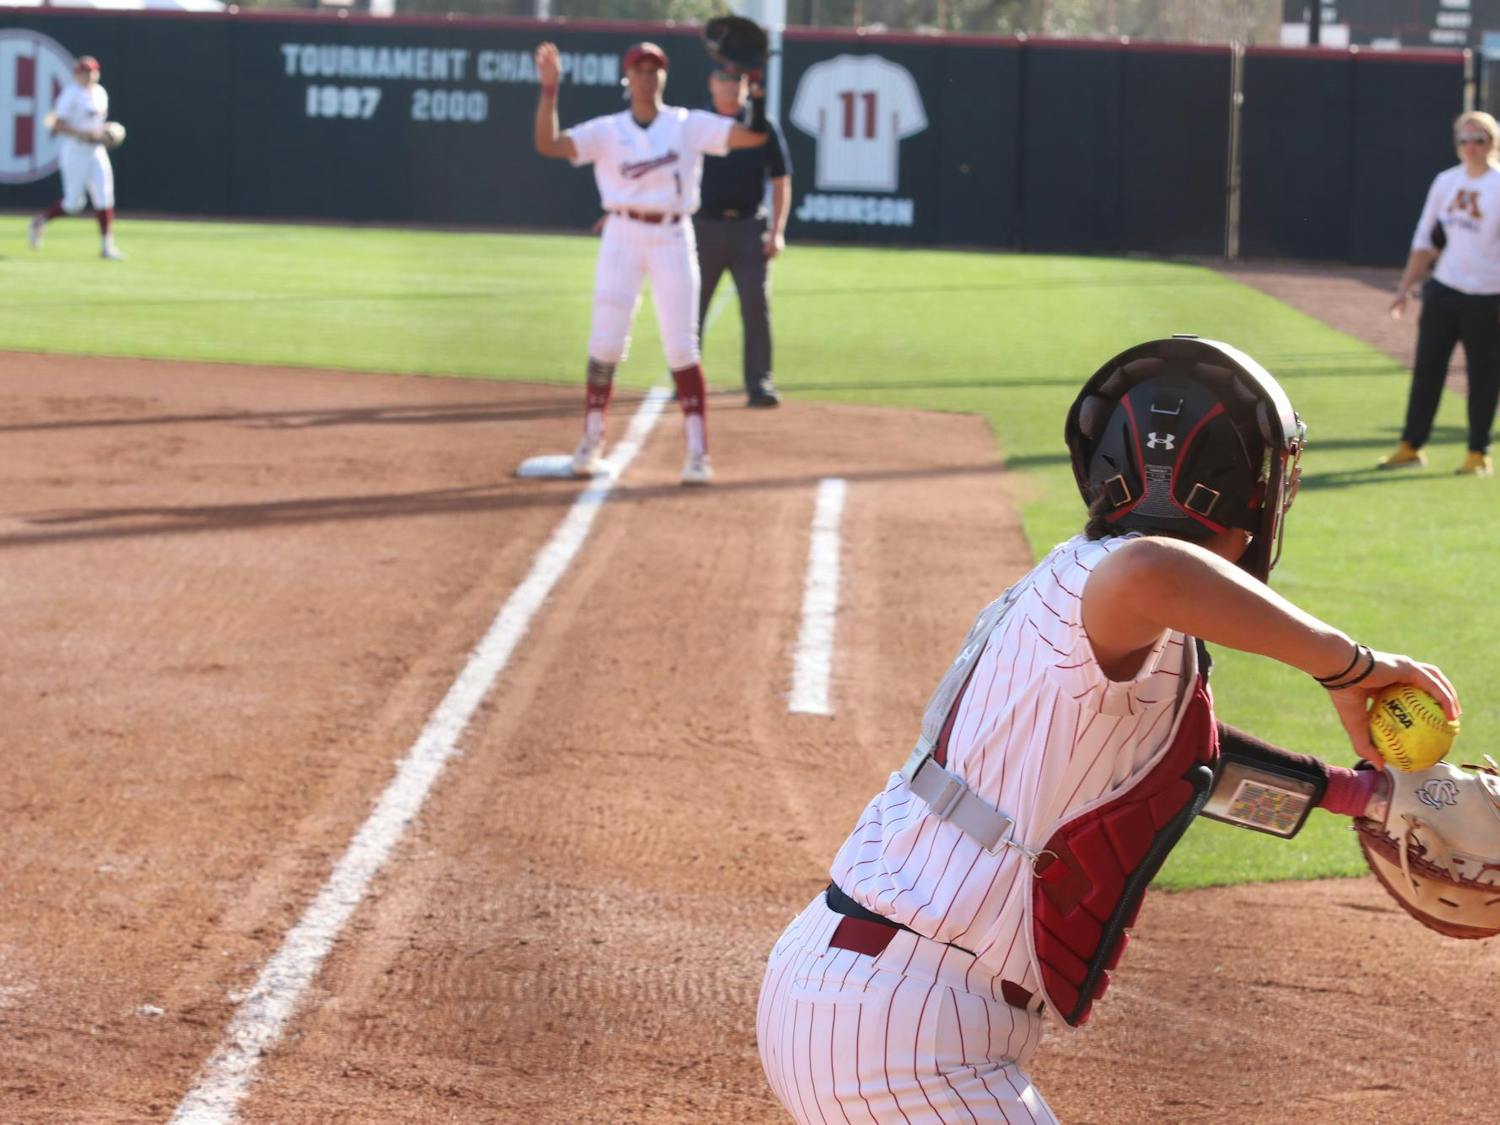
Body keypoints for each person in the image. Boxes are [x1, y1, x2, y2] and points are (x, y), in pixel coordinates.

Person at [755, 336, 1460, 1122]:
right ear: (1248, 497)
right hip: (902, 1031)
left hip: (875, 997)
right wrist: (1350, 666)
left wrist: (1358, 795)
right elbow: (1151, 571)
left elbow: (1185, 775)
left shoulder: (1096, 604)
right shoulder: (1115, 580)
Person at [532, 40, 769, 486]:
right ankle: (591, 439)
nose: (646, 75)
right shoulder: (607, 130)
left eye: (654, 68)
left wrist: (756, 93)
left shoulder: (686, 125)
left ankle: (697, 452)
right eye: (639, 69)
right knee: (605, 340)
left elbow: (751, 136)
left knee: (681, 345)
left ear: (664, 77)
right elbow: (547, 144)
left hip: (672, 236)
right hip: (621, 234)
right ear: (628, 78)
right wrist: (549, 91)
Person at [1381, 110, 1500, 477]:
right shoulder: (1445, 182)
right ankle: (1411, 444)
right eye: (1464, 139)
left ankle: (1478, 452)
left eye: (1479, 139)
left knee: (1484, 376)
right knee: (1428, 371)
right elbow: (1424, 238)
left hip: (1488, 296)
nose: (1471, 146)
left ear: (1492, 142)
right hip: (1443, 291)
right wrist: (1406, 288)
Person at [695, 67, 791, 408]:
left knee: (755, 306)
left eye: (737, 80)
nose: (730, 86)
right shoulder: (698, 123)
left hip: (750, 228)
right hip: (703, 227)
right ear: (711, 83)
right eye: (723, 78)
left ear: (747, 86)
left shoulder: (762, 126)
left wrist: (777, 231)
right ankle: (686, 379)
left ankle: (759, 383)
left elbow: (781, 180)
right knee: (691, 307)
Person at [28, 55, 124, 261]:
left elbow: (96, 125)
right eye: (85, 71)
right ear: (77, 74)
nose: (90, 75)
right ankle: (40, 222)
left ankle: (107, 246)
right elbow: (54, 123)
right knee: (73, 204)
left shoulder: (100, 93)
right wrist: (82, 134)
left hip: (96, 151)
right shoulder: (70, 94)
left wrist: (106, 132)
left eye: (93, 71)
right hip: (75, 151)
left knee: (105, 196)